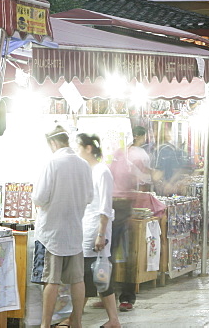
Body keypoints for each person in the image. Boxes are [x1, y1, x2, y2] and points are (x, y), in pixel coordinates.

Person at [32, 126, 94, 328]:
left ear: (52, 143)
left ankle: (45, 324)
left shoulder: (53, 163)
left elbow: (39, 198)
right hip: (75, 230)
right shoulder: (84, 165)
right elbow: (89, 197)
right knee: (77, 280)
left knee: (52, 280)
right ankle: (77, 323)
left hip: (52, 233)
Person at [76, 133, 120, 328]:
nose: (76, 152)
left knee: (97, 275)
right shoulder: (86, 171)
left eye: (78, 147)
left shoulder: (102, 171)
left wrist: (101, 234)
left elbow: (105, 206)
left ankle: (113, 320)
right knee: (90, 276)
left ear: (88, 148)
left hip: (96, 231)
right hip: (85, 229)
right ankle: (111, 320)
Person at [108, 125, 153, 312]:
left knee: (122, 255)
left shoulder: (134, 156)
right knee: (107, 254)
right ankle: (107, 295)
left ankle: (126, 297)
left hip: (123, 207)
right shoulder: (117, 154)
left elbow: (145, 176)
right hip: (110, 206)